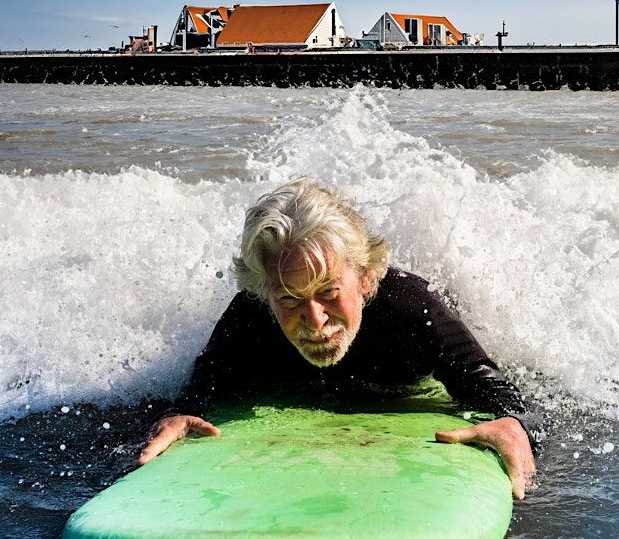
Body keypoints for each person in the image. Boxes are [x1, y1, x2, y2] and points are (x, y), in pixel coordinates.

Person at [139, 177, 540, 498]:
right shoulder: (252, 314)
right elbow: (205, 380)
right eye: (290, 298)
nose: (314, 320)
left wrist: (515, 424)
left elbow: (498, 391)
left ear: (365, 278)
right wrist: (179, 414)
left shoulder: (412, 312)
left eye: (329, 291)